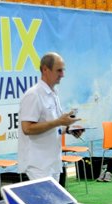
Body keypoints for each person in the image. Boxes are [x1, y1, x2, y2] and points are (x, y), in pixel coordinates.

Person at [18, 53, 77, 181]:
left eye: (63, 70)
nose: (62, 74)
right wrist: (58, 122)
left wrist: (69, 129)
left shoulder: (53, 94)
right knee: (44, 201)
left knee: (53, 201)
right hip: (38, 164)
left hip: (52, 162)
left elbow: (54, 126)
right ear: (45, 69)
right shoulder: (33, 95)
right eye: (59, 70)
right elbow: (27, 128)